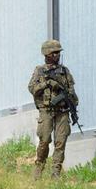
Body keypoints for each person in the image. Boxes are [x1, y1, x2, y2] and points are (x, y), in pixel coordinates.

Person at [27, 39, 79, 178]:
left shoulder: (64, 71)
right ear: (47, 54)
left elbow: (71, 91)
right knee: (44, 140)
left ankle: (56, 172)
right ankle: (39, 167)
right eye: (54, 53)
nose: (57, 55)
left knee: (60, 142)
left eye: (58, 53)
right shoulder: (40, 71)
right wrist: (47, 84)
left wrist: (72, 103)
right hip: (46, 110)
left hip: (62, 111)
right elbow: (32, 88)